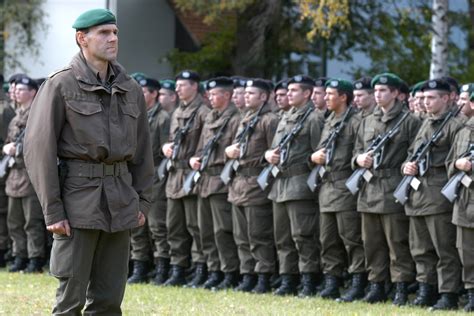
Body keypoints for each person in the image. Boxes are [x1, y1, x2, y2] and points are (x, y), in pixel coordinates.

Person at [24, 9, 154, 314]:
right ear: (82, 39)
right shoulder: (60, 85)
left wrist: (143, 202)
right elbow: (38, 149)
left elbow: (144, 150)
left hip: (121, 202)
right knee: (70, 301)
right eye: (104, 33)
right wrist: (53, 210)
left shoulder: (130, 89)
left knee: (109, 301)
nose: (112, 39)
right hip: (77, 203)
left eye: (115, 32)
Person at [352, 73, 420, 305]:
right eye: (376, 91)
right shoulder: (367, 120)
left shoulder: (409, 121)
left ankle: (400, 287)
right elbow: (355, 151)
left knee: (396, 242)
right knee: (371, 242)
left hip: (392, 187)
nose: (378, 95)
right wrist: (359, 160)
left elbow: (415, 154)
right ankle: (377, 285)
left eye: (383, 91)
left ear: (394, 93)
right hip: (368, 188)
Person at [402, 79, 462, 309]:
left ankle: (448, 294)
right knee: (420, 248)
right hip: (417, 194)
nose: (425, 102)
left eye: (431, 98)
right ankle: (425, 289)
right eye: (423, 98)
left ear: (446, 98)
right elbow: (411, 153)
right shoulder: (425, 124)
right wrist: (406, 166)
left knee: (444, 248)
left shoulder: (456, 125)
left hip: (438, 195)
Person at [265, 75, 324, 297]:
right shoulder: (286, 117)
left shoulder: (314, 119)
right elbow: (274, 147)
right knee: (282, 238)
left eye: (294, 90)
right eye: (288, 90)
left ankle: (308, 279)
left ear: (307, 93)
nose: (288, 94)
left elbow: (318, 153)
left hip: (300, 184)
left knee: (303, 236)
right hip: (279, 184)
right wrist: (268, 154)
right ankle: (287, 279)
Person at [310, 79, 365, 301]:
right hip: (326, 186)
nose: (326, 98)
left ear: (343, 97)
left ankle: (358, 281)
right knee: (327, 238)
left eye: (331, 94)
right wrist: (313, 157)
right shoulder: (328, 120)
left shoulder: (355, 121)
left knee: (351, 238)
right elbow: (317, 150)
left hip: (344, 186)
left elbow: (359, 153)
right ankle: (332, 280)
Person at [226, 79, 278, 293]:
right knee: (241, 236)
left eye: (251, 93)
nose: (246, 96)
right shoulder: (244, 118)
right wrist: (229, 151)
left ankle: (263, 276)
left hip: (257, 184)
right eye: (245, 93)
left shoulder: (269, 120)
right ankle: (247, 275)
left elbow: (276, 153)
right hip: (238, 182)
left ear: (264, 97)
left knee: (259, 234)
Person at [188, 77, 241, 290]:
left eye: (215, 94)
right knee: (205, 230)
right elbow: (202, 146)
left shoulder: (236, 118)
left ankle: (229, 272)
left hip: (221, 179)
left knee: (222, 231)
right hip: (205, 180)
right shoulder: (210, 116)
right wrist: (194, 158)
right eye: (209, 94)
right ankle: (214, 270)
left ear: (227, 96)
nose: (210, 97)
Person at [162, 70, 209, 286]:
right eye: (177, 85)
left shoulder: (203, 112)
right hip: (174, 175)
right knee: (174, 226)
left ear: (195, 87)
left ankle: (199, 268)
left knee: (194, 226)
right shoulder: (177, 111)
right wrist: (167, 147)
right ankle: (177, 268)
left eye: (182, 85)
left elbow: (205, 145)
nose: (178, 89)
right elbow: (172, 138)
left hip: (192, 176)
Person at [127, 77, 171, 285]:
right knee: (135, 225)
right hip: (132, 175)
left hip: (154, 177)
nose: (139, 95)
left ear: (154, 94)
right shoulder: (133, 114)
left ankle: (161, 269)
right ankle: (139, 267)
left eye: (143, 91)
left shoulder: (163, 118)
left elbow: (166, 150)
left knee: (156, 225)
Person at [3, 76, 45, 273]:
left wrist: (16, 151)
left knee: (32, 221)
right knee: (14, 221)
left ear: (32, 92)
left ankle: (34, 258)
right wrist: (7, 148)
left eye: (21, 89)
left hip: (29, 175)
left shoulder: (37, 116)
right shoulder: (15, 116)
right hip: (14, 175)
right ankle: (19, 255)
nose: (17, 92)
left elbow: (38, 145)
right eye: (16, 89)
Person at [447, 91, 474, 312]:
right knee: (466, 251)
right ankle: (472, 293)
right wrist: (458, 165)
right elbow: (449, 162)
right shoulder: (463, 131)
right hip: (465, 200)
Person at [0, 74, 16, 267]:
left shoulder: (4, 110)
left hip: (4, 167)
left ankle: (4, 250)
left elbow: (7, 142)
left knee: (3, 212)